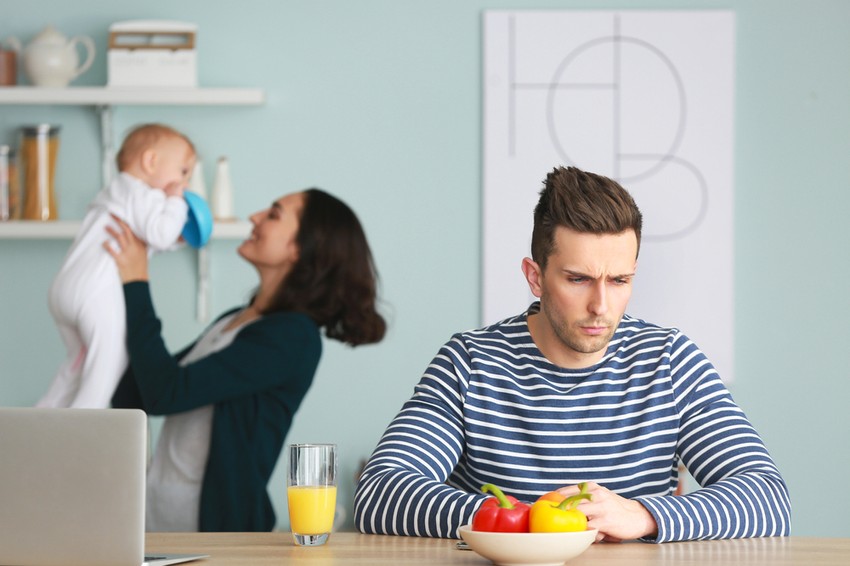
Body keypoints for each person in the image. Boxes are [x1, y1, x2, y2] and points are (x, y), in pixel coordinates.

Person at [354, 166, 790, 543]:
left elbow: (768, 498)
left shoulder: (670, 361)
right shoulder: (470, 363)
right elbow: (378, 492)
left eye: (619, 280)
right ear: (535, 276)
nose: (601, 305)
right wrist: (533, 524)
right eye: (578, 279)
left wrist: (643, 516)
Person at [109, 188, 386, 532]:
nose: (254, 217)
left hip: (214, 537)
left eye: (273, 214)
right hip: (154, 521)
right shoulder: (235, 320)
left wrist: (136, 282)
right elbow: (135, 396)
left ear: (300, 248)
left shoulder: (292, 337)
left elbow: (165, 393)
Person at [38, 123, 195, 409]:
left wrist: (180, 237)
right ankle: (82, 428)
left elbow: (152, 237)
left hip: (64, 290)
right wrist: (175, 201)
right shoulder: (147, 194)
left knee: (76, 365)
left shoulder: (119, 191)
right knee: (109, 362)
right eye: (183, 172)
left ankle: (44, 416)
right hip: (93, 292)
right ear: (151, 161)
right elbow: (159, 233)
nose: (185, 184)